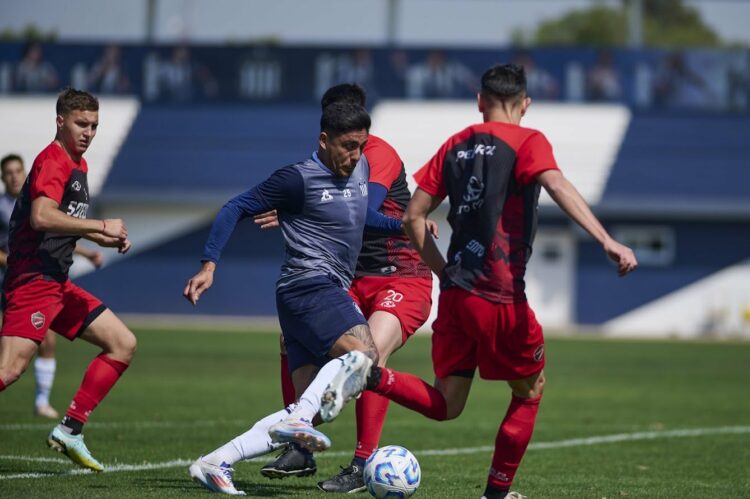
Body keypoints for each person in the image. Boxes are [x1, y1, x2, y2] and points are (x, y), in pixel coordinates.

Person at [319, 64, 638, 499]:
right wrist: (607, 240)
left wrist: (442, 272)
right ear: (525, 104)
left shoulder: (455, 145)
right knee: (530, 389)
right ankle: (496, 493)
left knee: (447, 403)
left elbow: (414, 217)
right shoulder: (529, 140)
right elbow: (557, 183)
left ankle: (372, 377)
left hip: (455, 296)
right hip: (501, 295)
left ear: (479, 102)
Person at [184, 100, 391, 496]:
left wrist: (410, 228)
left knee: (306, 410)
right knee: (365, 355)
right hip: (310, 285)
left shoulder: (361, 167)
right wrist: (209, 265)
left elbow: (365, 217)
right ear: (324, 140)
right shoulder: (297, 179)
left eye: (362, 145)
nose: (356, 155)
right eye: (348, 145)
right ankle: (297, 424)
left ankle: (215, 462)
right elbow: (237, 206)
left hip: (303, 298)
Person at [255, 84, 435, 493]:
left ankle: (363, 462)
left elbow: (364, 215)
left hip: (401, 276)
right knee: (291, 337)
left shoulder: (379, 154)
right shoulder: (324, 166)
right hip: (350, 281)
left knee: (368, 360)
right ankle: (301, 445)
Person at [0, 88, 135, 472]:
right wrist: (99, 225)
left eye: (94, 125)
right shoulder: (53, 161)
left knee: (122, 343)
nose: (88, 132)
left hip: (57, 283)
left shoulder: (79, 165)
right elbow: (41, 217)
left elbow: (62, 224)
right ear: (60, 121)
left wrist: (102, 237)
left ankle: (70, 429)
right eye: (81, 123)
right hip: (32, 281)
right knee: (8, 371)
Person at [0, 153, 104, 419]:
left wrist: (88, 252)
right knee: (10, 365)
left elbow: (57, 231)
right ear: (2, 177)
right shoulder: (7, 206)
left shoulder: (34, 200)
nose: (14, 176)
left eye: (17, 171)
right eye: (8, 172)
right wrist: (12, 260)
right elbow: (44, 222)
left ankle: (42, 402)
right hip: (16, 281)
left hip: (37, 281)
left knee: (44, 341)